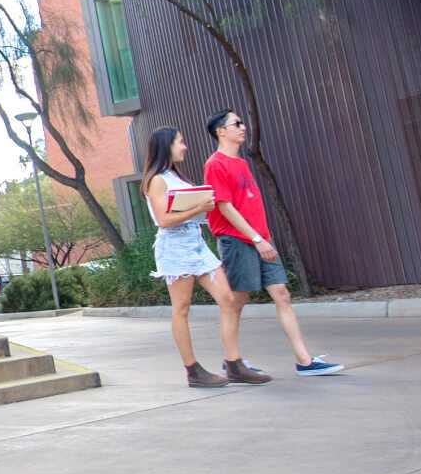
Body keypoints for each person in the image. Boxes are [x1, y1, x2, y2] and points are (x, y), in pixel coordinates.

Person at [201, 110, 345, 377]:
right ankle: (231, 362)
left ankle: (304, 361)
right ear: (221, 131)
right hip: (238, 242)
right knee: (236, 301)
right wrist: (256, 239)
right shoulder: (215, 164)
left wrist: (263, 237)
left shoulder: (241, 163)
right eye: (237, 123)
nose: (243, 127)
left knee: (282, 294)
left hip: (261, 239)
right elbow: (225, 207)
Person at [140, 126, 266, 387]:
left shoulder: (177, 177)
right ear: (167, 146)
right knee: (182, 308)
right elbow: (163, 220)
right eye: (180, 142)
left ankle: (234, 363)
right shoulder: (156, 180)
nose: (184, 147)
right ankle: (193, 370)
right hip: (175, 249)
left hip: (196, 244)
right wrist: (199, 206)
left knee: (228, 299)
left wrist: (202, 208)